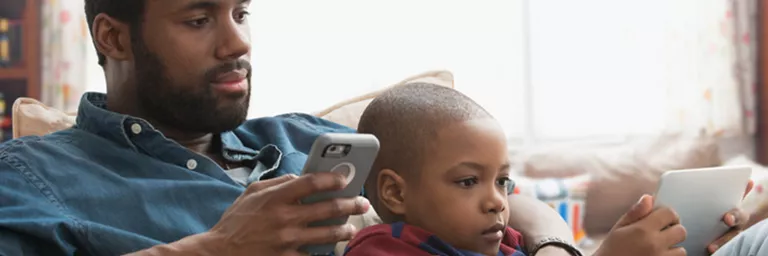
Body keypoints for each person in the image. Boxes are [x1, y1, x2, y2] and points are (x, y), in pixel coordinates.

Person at [0, 0, 760, 255]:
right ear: (113, 38)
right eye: (199, 18)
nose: (237, 42)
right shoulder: (35, 174)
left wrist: (569, 249)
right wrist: (217, 248)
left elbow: (501, 194)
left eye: (240, 13)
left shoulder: (303, 136)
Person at [344, 83, 529, 256]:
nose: (497, 203)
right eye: (468, 182)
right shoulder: (382, 248)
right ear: (396, 193)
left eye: (502, 181)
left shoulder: (507, 241)